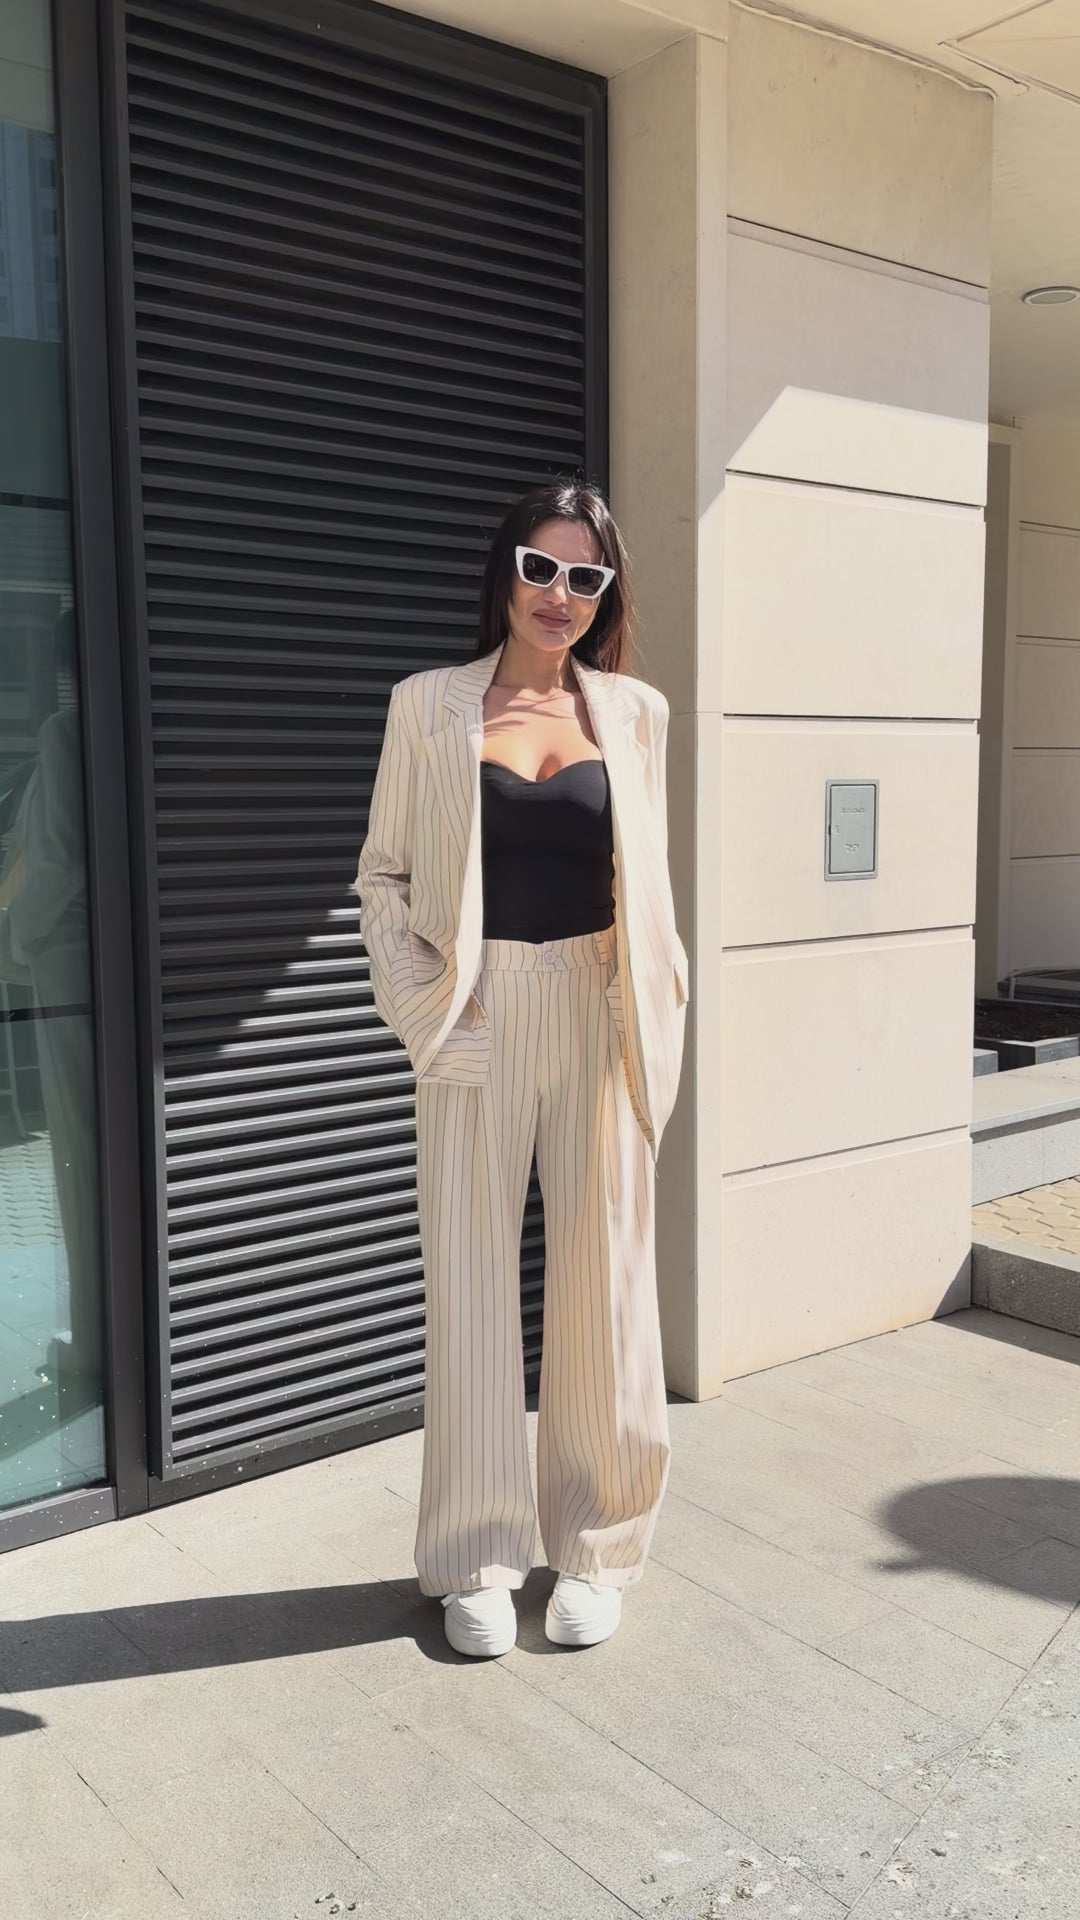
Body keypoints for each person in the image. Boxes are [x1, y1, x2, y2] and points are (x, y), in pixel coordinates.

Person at [354, 478, 689, 1658]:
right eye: (540, 567)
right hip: (477, 1012)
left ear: (607, 594)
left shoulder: (636, 713)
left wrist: (657, 1004)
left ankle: (597, 1545)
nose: (560, 594)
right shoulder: (428, 705)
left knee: (609, 1288)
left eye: (585, 576)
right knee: (470, 1291)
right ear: (505, 570)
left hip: (598, 1011)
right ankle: (478, 1557)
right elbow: (385, 876)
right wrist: (425, 1010)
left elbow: (645, 884)